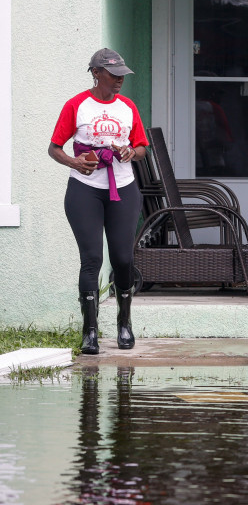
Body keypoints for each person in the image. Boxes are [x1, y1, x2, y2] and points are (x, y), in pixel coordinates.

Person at [48, 48, 149, 353]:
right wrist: (74, 162)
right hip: (85, 190)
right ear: (96, 73)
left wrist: (133, 152)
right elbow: (54, 148)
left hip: (123, 189)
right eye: (113, 75)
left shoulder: (128, 107)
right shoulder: (76, 105)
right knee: (91, 259)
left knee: (122, 259)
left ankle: (124, 323)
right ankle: (90, 331)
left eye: (122, 75)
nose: (120, 80)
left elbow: (142, 146)